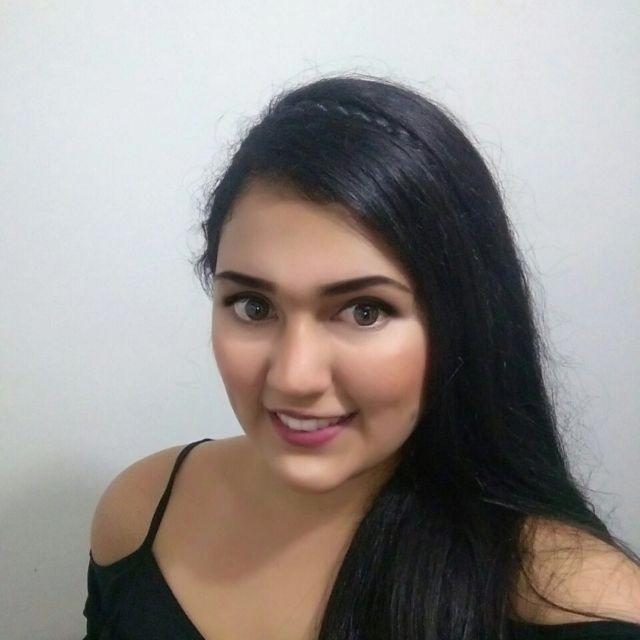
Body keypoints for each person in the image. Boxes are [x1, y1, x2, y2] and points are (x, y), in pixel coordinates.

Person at [82, 74, 640, 639]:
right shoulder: (141, 514)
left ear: (463, 322)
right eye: (253, 306)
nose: (294, 377)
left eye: (364, 311)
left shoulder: (581, 607)